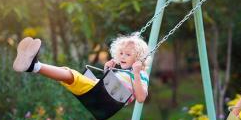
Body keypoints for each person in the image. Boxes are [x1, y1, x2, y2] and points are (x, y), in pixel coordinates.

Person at [12, 33, 150, 104]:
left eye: (128, 54)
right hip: (100, 93)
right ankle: (33, 65)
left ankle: (34, 65)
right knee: (68, 73)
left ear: (138, 57)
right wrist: (107, 71)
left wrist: (136, 73)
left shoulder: (140, 74)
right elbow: (110, 85)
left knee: (71, 75)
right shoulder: (121, 72)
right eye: (121, 53)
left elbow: (141, 98)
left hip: (106, 101)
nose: (123, 57)